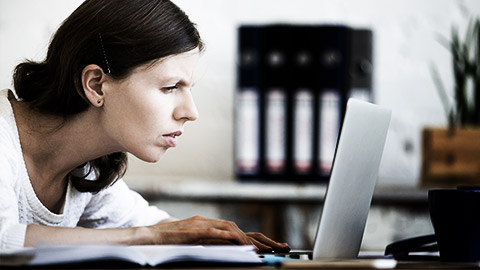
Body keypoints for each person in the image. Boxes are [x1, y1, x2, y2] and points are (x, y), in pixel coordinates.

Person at [0, 0, 290, 253]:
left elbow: (151, 225)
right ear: (96, 85)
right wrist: (153, 236)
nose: (191, 112)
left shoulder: (86, 171)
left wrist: (216, 240)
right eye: (169, 87)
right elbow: (3, 239)